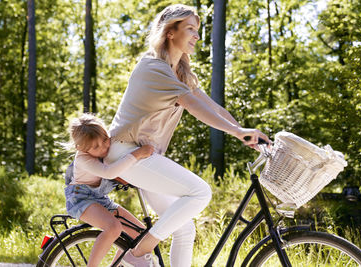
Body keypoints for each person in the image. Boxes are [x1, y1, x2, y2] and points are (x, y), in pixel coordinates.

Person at [107, 4, 270, 267]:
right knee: (200, 192)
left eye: (197, 30)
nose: (196, 36)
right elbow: (193, 107)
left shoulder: (179, 72)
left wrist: (243, 134)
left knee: (184, 228)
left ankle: (141, 254)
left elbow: (213, 107)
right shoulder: (153, 68)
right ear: (170, 33)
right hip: (126, 152)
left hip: (146, 157)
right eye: (190, 29)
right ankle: (137, 254)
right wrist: (239, 133)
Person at [64, 113, 155, 267]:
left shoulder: (106, 148)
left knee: (141, 234)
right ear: (81, 148)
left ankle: (118, 265)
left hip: (99, 199)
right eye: (96, 146)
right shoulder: (83, 159)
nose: (104, 147)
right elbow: (109, 172)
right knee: (113, 228)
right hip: (81, 198)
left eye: (105, 140)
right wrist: (137, 154)